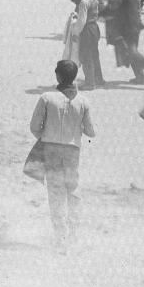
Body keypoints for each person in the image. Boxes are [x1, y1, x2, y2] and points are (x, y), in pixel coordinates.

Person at [29, 60, 96, 252]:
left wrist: (46, 136)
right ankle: (74, 234)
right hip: (72, 150)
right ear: (74, 77)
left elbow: (34, 127)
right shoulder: (83, 101)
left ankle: (60, 238)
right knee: (72, 190)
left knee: (56, 192)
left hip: (50, 150)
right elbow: (91, 132)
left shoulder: (46, 97)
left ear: (57, 75)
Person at [99, 0, 144, 84]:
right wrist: (109, 2)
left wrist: (100, 13)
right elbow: (123, 5)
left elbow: (114, 8)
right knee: (132, 52)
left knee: (132, 53)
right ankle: (140, 77)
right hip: (134, 25)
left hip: (128, 28)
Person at [68, 0, 104, 89]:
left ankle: (90, 83)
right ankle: (99, 79)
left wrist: (75, 33)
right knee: (94, 55)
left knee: (85, 56)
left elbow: (82, 21)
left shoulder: (83, 2)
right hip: (94, 28)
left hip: (86, 30)